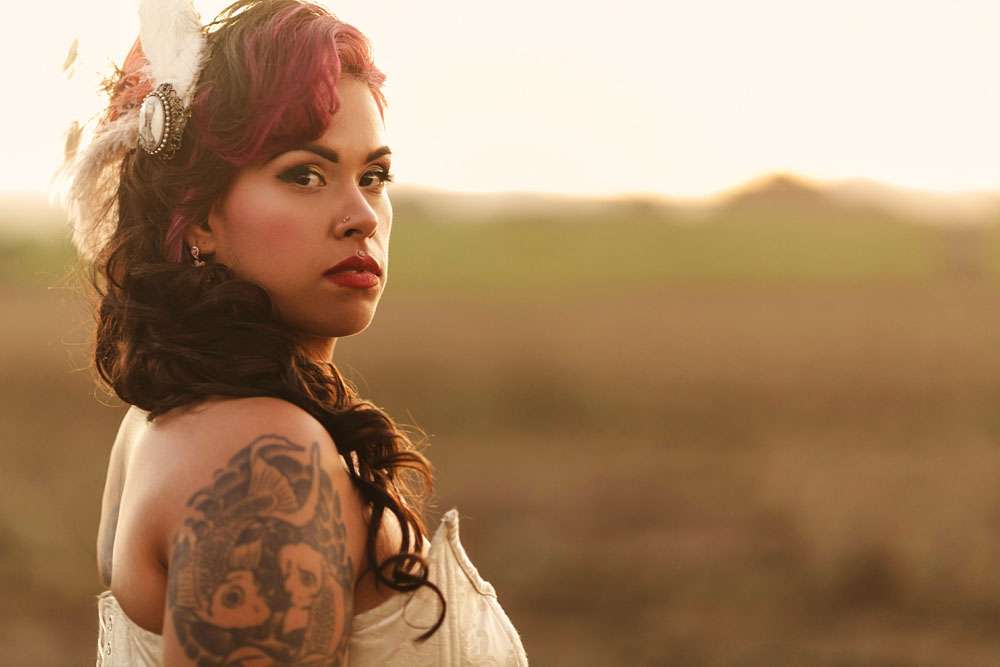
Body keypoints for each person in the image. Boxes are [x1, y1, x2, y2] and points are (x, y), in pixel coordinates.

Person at [58, 0, 530, 664]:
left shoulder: (178, 421)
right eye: (305, 175)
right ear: (199, 218)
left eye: (373, 176)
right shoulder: (258, 459)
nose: (362, 216)